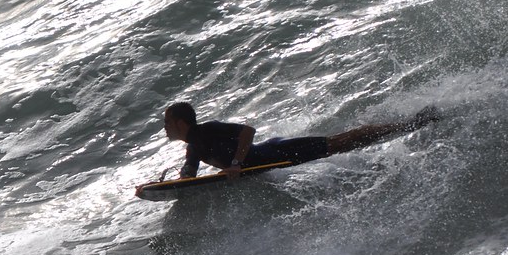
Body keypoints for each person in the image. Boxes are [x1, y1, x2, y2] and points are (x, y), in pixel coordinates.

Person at [163, 102, 440, 179]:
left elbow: (248, 131)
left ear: (179, 123)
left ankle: (411, 123)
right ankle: (408, 124)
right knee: (341, 143)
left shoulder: (208, 130)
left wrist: (235, 163)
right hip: (271, 160)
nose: (164, 128)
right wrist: (159, 189)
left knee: (340, 142)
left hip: (277, 150)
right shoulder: (193, 150)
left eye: (167, 122)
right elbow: (188, 175)